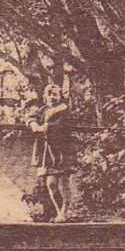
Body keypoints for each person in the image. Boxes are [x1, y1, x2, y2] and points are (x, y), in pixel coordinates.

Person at [29, 88, 77, 222]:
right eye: (49, 94)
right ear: (45, 96)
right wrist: (33, 124)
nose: (52, 97)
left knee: (65, 183)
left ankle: (64, 213)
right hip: (47, 153)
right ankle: (59, 211)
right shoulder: (43, 110)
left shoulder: (64, 110)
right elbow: (31, 116)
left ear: (60, 96)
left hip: (62, 151)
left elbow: (60, 125)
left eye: (55, 94)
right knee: (51, 183)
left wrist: (44, 127)